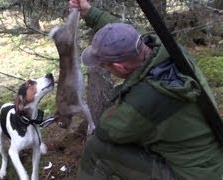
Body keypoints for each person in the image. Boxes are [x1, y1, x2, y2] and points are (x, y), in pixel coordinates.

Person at [69, 0, 223, 180]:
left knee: (96, 150)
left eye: (105, 66)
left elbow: (106, 130)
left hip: (191, 176)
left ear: (120, 67)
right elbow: (126, 33)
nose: (105, 69)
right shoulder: (168, 51)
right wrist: (90, 12)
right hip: (212, 160)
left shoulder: (145, 100)